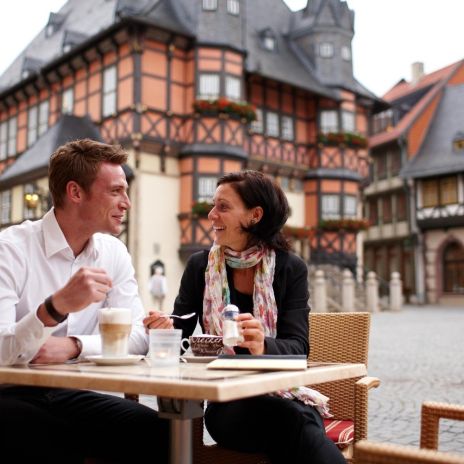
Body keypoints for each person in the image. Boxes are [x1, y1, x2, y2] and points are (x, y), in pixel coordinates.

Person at [144, 170, 345, 464]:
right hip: (228, 403)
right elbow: (180, 332)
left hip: (281, 393)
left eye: (223, 207)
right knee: (296, 423)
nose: (211, 215)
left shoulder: (290, 268)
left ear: (254, 215)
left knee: (292, 422)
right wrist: (163, 328)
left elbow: (298, 347)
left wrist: (262, 345)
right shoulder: (200, 266)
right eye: (213, 206)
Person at [0, 139, 168, 463]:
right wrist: (55, 308)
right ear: (76, 193)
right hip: (11, 392)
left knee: (158, 430)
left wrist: (75, 345)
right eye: (116, 191)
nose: (127, 203)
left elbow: (137, 336)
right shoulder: (10, 248)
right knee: (37, 433)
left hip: (78, 394)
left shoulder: (113, 252)